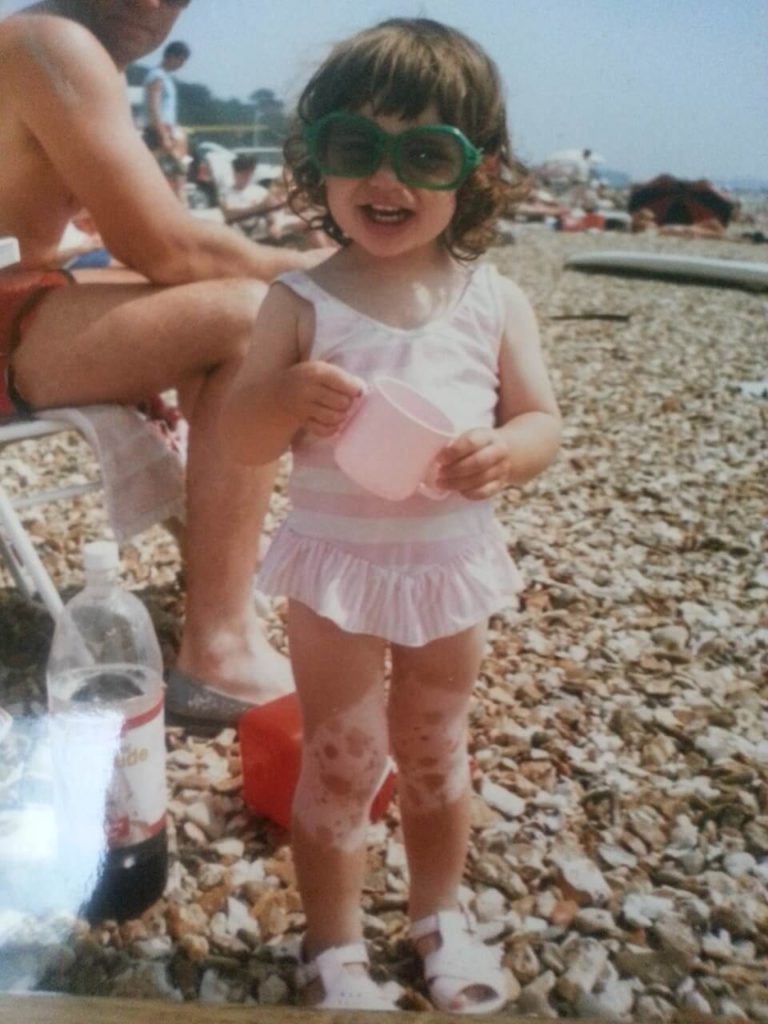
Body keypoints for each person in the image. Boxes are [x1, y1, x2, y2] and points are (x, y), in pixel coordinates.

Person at [221, 18, 561, 1013]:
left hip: (448, 563)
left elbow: (541, 419)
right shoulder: (300, 302)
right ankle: (333, 947)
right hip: (336, 568)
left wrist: (507, 453)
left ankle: (438, 915)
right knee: (341, 758)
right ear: (316, 160)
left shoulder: (493, 299)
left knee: (436, 749)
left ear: (476, 170)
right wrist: (284, 399)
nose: (386, 178)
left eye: (425, 155)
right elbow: (239, 436)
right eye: (356, 147)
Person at [0, 0, 321, 729]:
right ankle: (220, 648)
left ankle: (219, 564)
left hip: (13, 292)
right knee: (251, 319)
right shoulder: (51, 43)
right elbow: (166, 246)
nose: (153, 3)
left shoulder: (44, 44)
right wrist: (312, 269)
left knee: (219, 303)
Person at [143, 39, 190, 162]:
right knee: (163, 167)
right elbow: (153, 108)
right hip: (158, 131)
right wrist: (163, 136)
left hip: (168, 130)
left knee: (182, 164)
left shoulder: (166, 78)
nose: (182, 64)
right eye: (181, 60)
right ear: (171, 56)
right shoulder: (157, 76)